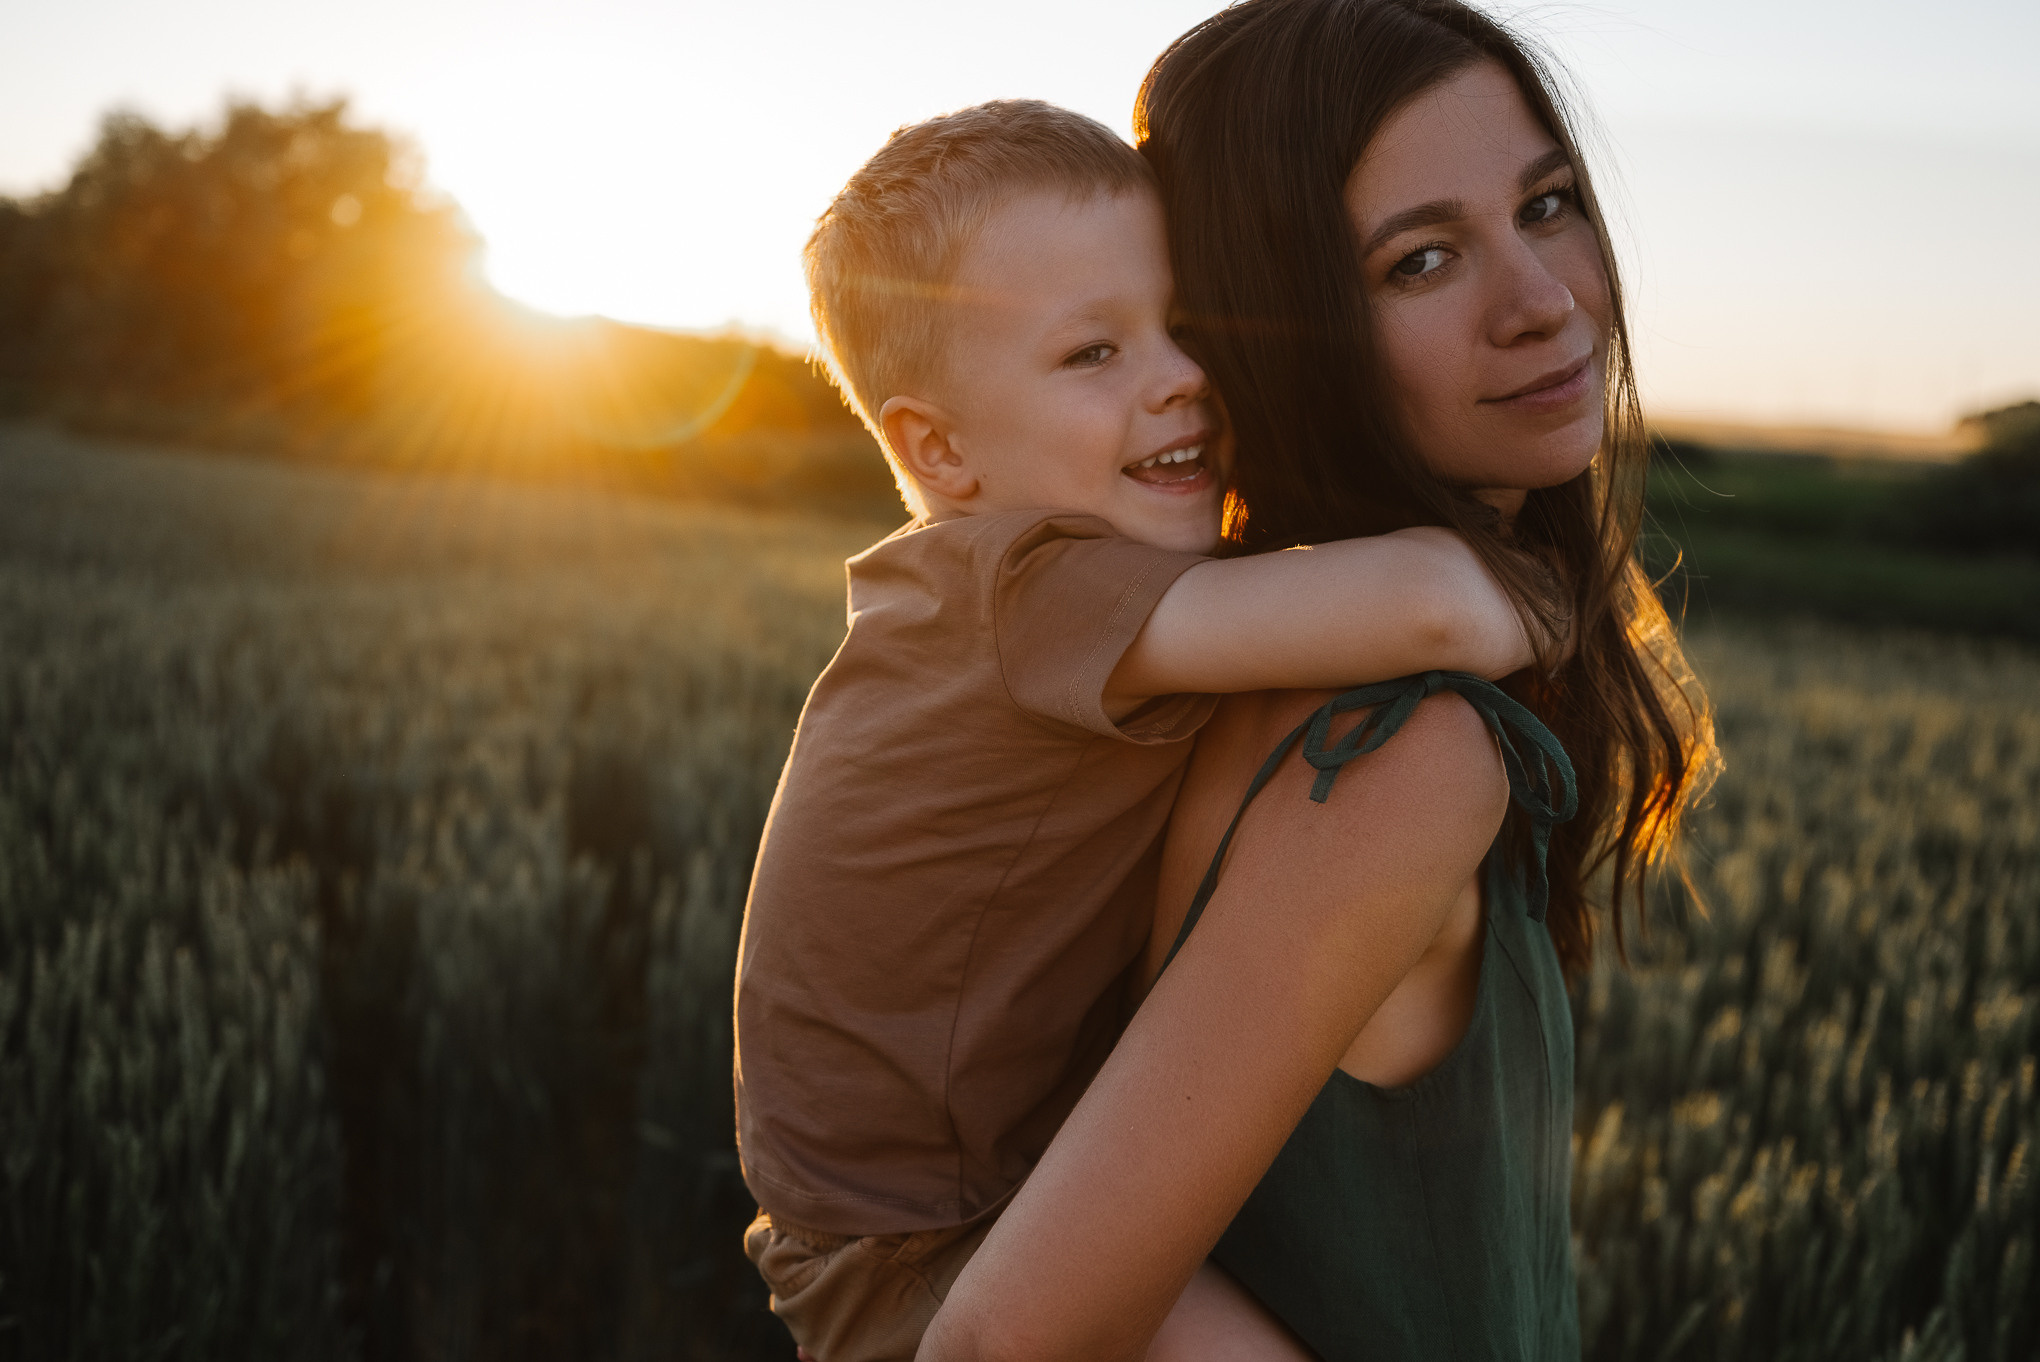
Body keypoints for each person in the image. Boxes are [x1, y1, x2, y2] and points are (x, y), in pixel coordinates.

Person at [916, 3, 1718, 1360]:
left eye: (1549, 203)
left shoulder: (1258, 672)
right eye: (1420, 260)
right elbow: (1007, 1340)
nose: (1541, 299)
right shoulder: (1398, 750)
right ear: (1284, 326)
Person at [734, 98, 1563, 1362]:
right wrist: (1580, 588)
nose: (1180, 375)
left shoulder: (1001, 591)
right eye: (1092, 356)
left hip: (958, 1199)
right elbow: (1432, 607)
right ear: (938, 448)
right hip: (919, 1246)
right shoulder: (1022, 590)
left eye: (1183, 326)